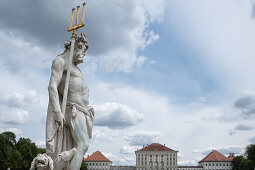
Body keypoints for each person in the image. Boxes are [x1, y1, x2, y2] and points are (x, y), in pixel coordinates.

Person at [46, 32, 94, 170]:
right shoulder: (60, 61)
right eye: (82, 52)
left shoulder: (76, 68)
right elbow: (52, 86)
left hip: (83, 111)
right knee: (83, 144)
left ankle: (65, 163)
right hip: (72, 109)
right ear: (76, 47)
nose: (83, 56)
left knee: (77, 146)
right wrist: (57, 111)